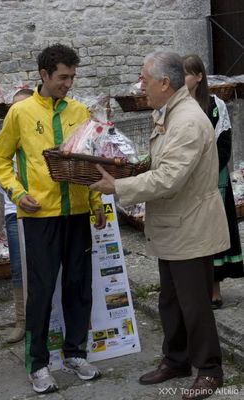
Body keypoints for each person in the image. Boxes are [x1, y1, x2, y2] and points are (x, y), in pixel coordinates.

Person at [90, 51, 229, 400]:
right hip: (173, 224)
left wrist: (118, 187)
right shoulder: (169, 112)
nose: (141, 86)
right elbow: (160, 164)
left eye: (145, 79)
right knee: (170, 299)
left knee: (194, 304)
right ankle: (177, 360)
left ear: (165, 83)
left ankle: (210, 370)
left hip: (190, 226)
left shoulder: (187, 121)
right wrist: (132, 168)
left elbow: (169, 179)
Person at [0, 43, 106, 394]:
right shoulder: (20, 113)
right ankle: (38, 364)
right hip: (39, 216)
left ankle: (75, 353)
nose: (68, 84)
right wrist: (16, 193)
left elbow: (89, 162)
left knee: (78, 287)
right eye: (62, 77)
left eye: (72, 77)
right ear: (44, 75)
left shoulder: (80, 110)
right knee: (40, 293)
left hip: (77, 214)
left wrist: (97, 201)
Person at [183, 54, 244, 309]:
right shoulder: (178, 107)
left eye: (187, 73)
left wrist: (206, 172)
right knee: (192, 236)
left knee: (214, 232)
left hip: (212, 181)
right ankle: (196, 288)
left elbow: (224, 144)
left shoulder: (214, 105)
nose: (183, 78)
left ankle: (215, 289)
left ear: (198, 77)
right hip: (186, 182)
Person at [0, 88, 34, 343]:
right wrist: (16, 195)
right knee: (17, 267)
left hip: (45, 211)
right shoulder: (6, 137)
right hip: (16, 213)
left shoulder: (39, 133)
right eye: (13, 107)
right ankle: (21, 321)